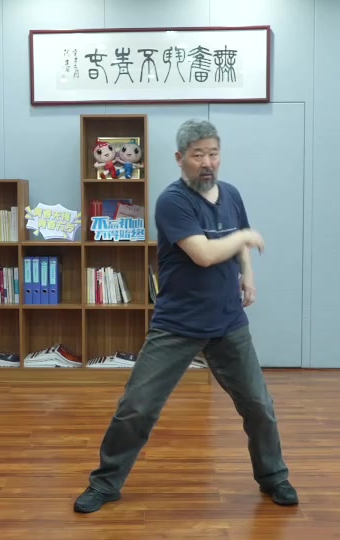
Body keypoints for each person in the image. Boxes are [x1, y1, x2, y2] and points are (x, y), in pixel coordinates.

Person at [73, 119, 297, 513]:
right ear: (180, 158)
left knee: (259, 405)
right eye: (197, 155)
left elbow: (238, 239)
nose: (207, 162)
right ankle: (105, 483)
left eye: (213, 153)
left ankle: (274, 476)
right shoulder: (172, 202)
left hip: (228, 322)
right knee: (137, 407)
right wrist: (244, 238)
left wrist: (248, 276)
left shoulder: (231, 194)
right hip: (177, 324)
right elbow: (205, 254)